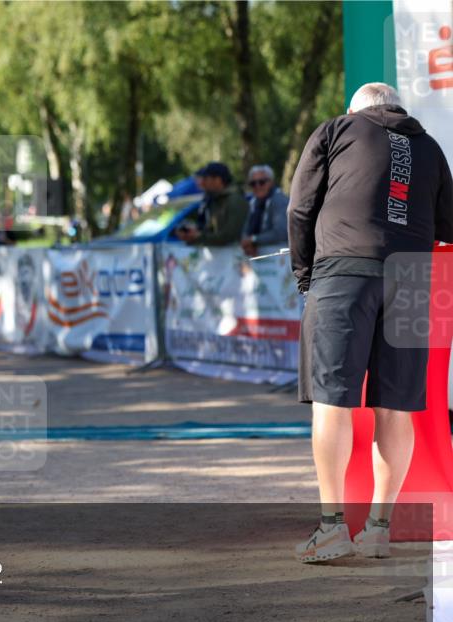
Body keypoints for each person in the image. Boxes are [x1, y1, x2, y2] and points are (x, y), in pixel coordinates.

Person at [288, 82, 453, 563]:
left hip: (344, 271)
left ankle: (333, 528)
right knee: (395, 406)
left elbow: (300, 207)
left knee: (331, 400)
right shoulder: (428, 146)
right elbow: (450, 224)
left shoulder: (336, 130)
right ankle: (379, 529)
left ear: (355, 111)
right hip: (412, 277)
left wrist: (304, 276)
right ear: (396, 108)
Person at [175, 162, 249, 246]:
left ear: (218, 180)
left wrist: (199, 237)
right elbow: (211, 230)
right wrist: (193, 235)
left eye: (206, 178)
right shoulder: (214, 200)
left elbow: (229, 236)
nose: (203, 182)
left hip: (236, 256)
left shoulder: (235, 200)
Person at [240, 164, 289, 257]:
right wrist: (248, 243)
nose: (257, 186)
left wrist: (254, 240)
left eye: (261, 182)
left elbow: (281, 233)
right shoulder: (254, 202)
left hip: (279, 257)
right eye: (253, 183)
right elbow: (246, 230)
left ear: (271, 182)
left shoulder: (279, 200)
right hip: (258, 257)